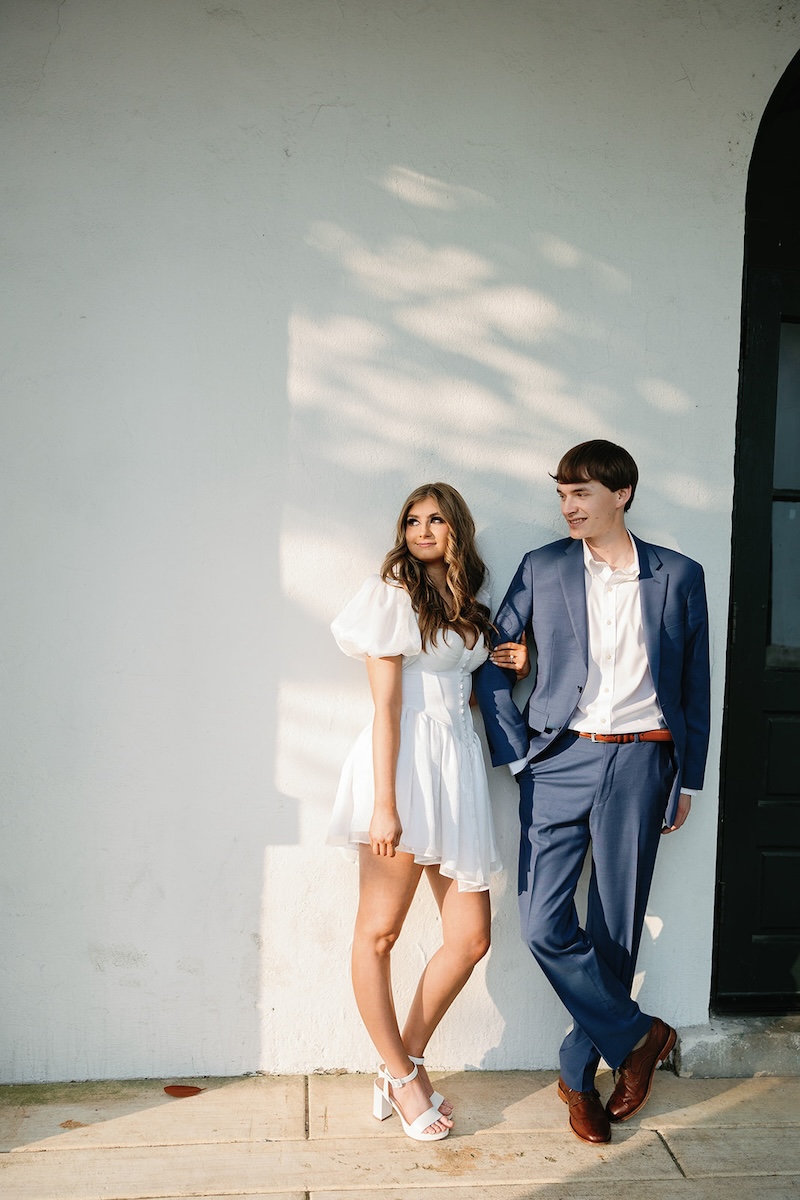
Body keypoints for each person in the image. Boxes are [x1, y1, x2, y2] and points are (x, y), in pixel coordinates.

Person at [475, 440, 711, 1146]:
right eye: (562, 495)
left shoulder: (679, 575)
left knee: (615, 927)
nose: (569, 506)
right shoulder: (544, 568)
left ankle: (578, 1076)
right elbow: (491, 659)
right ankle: (641, 1035)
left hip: (643, 762)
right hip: (559, 760)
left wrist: (689, 776)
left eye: (582, 494)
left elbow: (696, 684)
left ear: (623, 494)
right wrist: (518, 758)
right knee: (544, 923)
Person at [328, 483, 524, 1143]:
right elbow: (387, 707)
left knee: (470, 938)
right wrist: (384, 806)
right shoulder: (392, 596)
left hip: (457, 772)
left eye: (435, 518)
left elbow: (466, 693)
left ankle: (401, 1062)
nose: (421, 528)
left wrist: (514, 663)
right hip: (404, 770)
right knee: (377, 934)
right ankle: (403, 1074)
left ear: (456, 528)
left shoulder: (470, 604)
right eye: (412, 519)